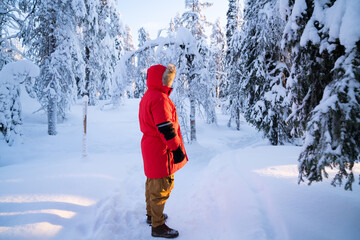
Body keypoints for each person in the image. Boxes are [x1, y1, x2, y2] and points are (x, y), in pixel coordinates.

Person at [139, 64, 188, 238]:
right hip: (160, 149)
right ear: (161, 79)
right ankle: (158, 226)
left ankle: (152, 216)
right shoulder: (159, 98)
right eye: (167, 78)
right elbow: (166, 128)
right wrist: (176, 149)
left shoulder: (149, 95)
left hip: (150, 147)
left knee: (152, 182)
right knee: (161, 186)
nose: (169, 82)